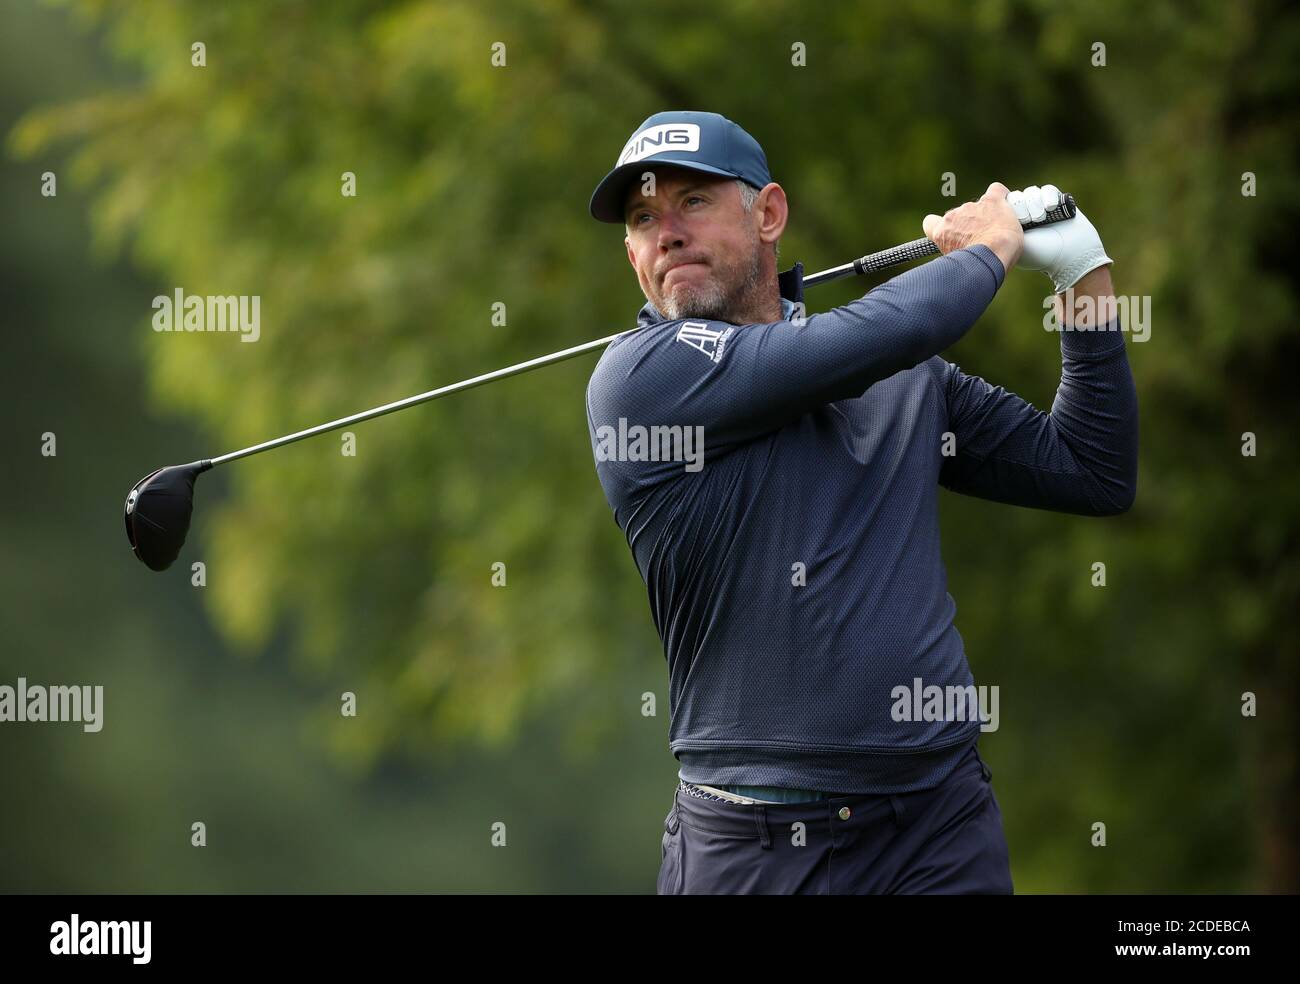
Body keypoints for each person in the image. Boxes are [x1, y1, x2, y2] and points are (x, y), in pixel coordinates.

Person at [584, 110, 1137, 894]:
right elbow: (874, 335)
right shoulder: (640, 381)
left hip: (938, 827)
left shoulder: (901, 374)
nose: (664, 232)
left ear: (768, 213)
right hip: (755, 844)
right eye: (642, 219)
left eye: (692, 202)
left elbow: (1092, 469)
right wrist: (990, 245)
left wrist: (1082, 272)